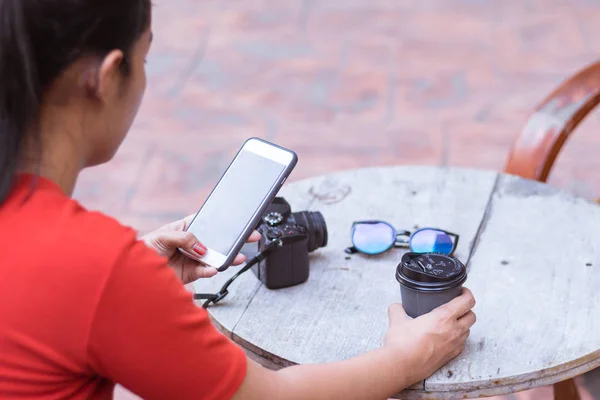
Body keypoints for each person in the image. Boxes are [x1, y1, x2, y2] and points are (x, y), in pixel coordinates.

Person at [0, 0, 477, 399]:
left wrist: (134, 277)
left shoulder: (90, 266)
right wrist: (410, 356)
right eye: (143, 61)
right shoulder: (96, 268)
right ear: (105, 79)